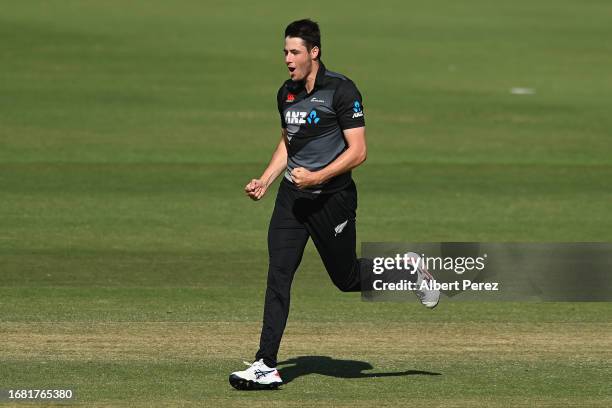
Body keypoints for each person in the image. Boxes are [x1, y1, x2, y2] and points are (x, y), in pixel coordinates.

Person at [229, 19, 439, 391]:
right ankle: (266, 363)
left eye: (295, 52)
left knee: (346, 279)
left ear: (314, 52)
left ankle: (408, 271)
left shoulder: (341, 90)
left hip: (332, 201)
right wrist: (265, 179)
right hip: (292, 201)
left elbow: (359, 151)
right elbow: (288, 141)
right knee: (279, 275)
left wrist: (319, 176)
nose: (288, 60)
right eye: (284, 52)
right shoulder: (286, 94)